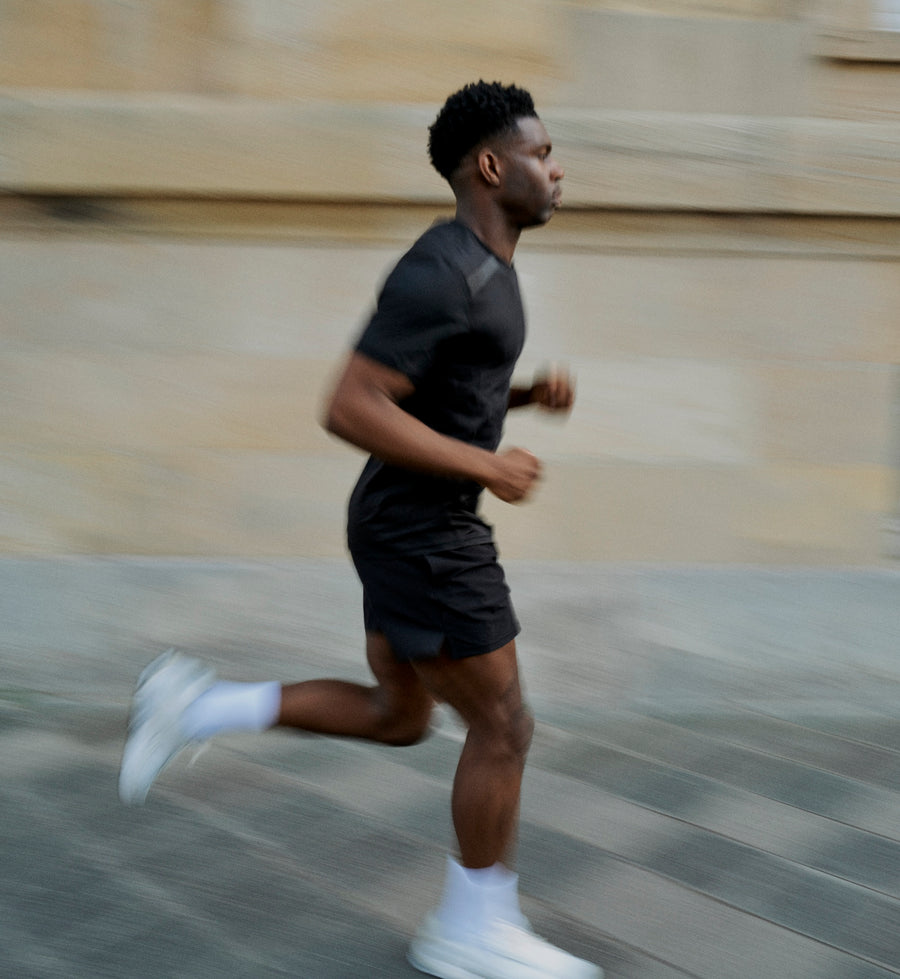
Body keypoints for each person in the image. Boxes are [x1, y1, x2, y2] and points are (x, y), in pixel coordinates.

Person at [119, 80, 602, 979]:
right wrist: (490, 466)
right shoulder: (444, 269)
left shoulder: (485, 269)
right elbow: (349, 404)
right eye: (541, 154)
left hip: (403, 523)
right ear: (492, 167)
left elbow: (441, 384)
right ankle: (472, 929)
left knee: (398, 715)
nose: (556, 167)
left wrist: (526, 397)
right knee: (503, 724)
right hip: (424, 530)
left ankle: (196, 705)